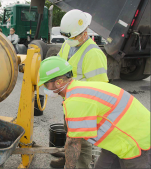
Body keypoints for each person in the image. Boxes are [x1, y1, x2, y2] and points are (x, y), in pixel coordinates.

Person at [39, 56, 150, 169]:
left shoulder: (76, 100)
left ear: (58, 82)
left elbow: (73, 143)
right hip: (118, 139)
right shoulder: (79, 89)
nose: (45, 88)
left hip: (137, 143)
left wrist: (68, 167)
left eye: (45, 84)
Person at [51, 9, 109, 168]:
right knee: (69, 136)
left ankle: (82, 166)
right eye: (66, 36)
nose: (67, 40)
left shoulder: (94, 54)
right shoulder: (68, 45)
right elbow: (60, 66)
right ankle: (67, 159)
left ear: (84, 33)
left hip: (85, 110)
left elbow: (101, 89)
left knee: (82, 146)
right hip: (70, 105)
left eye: (71, 37)